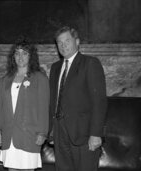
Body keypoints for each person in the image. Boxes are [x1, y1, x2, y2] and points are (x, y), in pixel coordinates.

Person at [49, 26, 107, 171]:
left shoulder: (90, 63)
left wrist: (96, 134)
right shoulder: (55, 68)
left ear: (77, 41)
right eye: (59, 42)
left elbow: (99, 102)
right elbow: (53, 101)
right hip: (59, 133)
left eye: (67, 41)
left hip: (84, 134)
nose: (63, 45)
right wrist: (50, 130)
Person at [0, 37, 50, 171]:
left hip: (29, 135)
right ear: (13, 56)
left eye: (25, 53)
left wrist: (42, 132)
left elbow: (44, 108)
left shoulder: (40, 79)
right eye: (17, 53)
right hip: (9, 135)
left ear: (31, 56)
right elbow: (0, 108)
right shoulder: (5, 80)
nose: (20, 57)